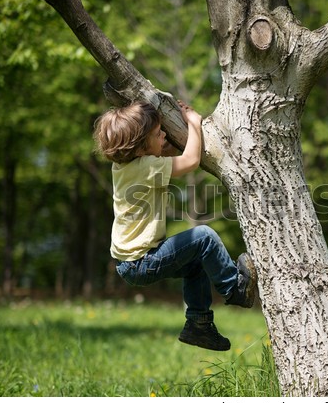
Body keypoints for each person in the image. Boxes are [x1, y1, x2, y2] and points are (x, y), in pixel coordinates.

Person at [93, 100, 257, 351]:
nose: (165, 136)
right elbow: (190, 161)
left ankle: (198, 324)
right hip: (142, 261)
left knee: (196, 264)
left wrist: (163, 139)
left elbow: (165, 153)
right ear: (140, 149)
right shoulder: (146, 167)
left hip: (130, 264)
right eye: (158, 134)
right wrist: (194, 123)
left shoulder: (124, 166)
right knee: (204, 237)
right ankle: (235, 289)